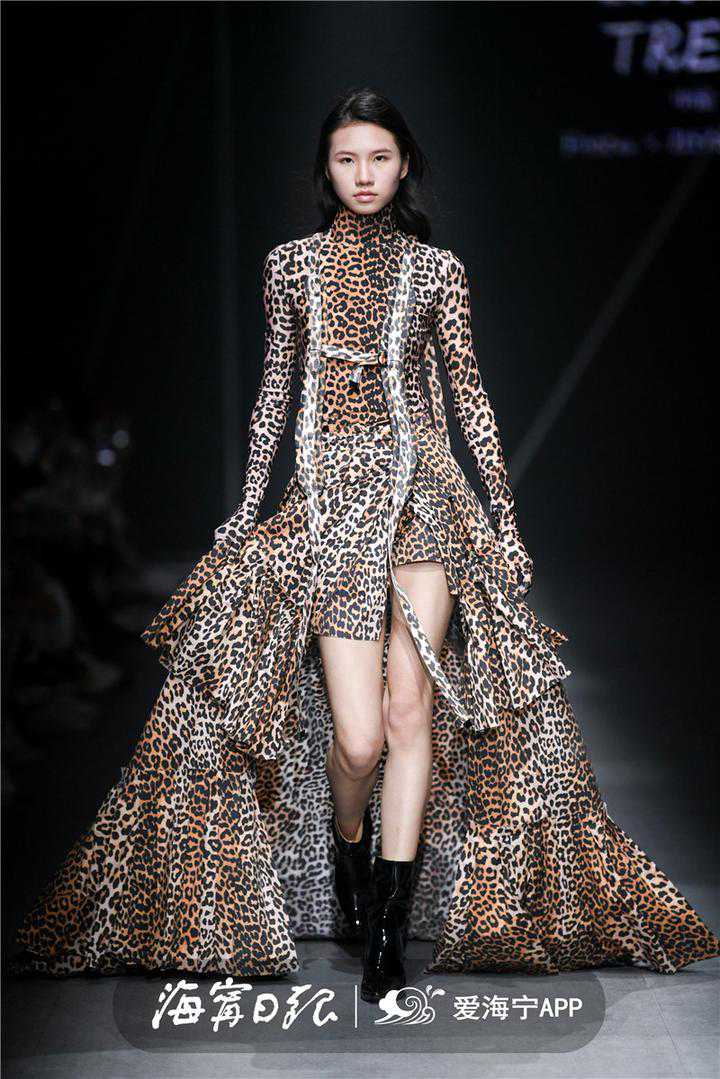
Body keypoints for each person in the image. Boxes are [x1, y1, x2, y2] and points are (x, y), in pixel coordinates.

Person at [10, 88, 720, 1004]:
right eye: (347, 159)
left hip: (427, 505)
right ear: (327, 168)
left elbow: (468, 397)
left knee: (409, 712)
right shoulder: (291, 268)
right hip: (331, 512)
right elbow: (276, 391)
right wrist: (248, 507)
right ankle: (349, 851)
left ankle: (389, 921)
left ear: (405, 164)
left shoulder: (438, 272)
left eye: (380, 157)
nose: (364, 175)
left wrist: (504, 519)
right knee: (356, 738)